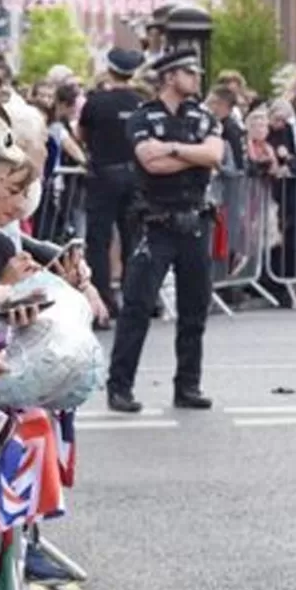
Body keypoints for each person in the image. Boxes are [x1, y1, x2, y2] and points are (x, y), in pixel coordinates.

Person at [106, 49, 224, 413]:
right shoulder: (144, 117)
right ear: (170, 77)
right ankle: (120, 386)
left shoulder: (203, 117)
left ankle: (187, 385)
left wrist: (172, 148)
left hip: (193, 221)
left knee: (194, 308)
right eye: (190, 72)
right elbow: (149, 162)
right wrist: (192, 154)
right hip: (155, 223)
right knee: (137, 307)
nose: (197, 78)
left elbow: (215, 155)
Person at [77, 48, 146, 321]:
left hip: (104, 175)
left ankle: (104, 299)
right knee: (132, 239)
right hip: (134, 176)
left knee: (99, 241)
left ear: (110, 69)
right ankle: (133, 298)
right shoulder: (141, 103)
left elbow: (82, 133)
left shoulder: (96, 103)